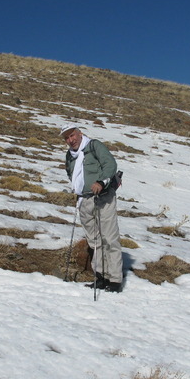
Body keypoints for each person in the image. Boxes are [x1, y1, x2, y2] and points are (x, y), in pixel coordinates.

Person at [60, 124, 123, 292]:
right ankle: (101, 276)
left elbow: (110, 165)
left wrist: (101, 182)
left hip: (102, 198)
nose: (70, 140)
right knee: (94, 240)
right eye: (66, 138)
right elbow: (70, 173)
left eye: (73, 135)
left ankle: (115, 280)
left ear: (80, 134)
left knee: (109, 238)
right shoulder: (69, 156)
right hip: (84, 200)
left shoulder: (94, 146)